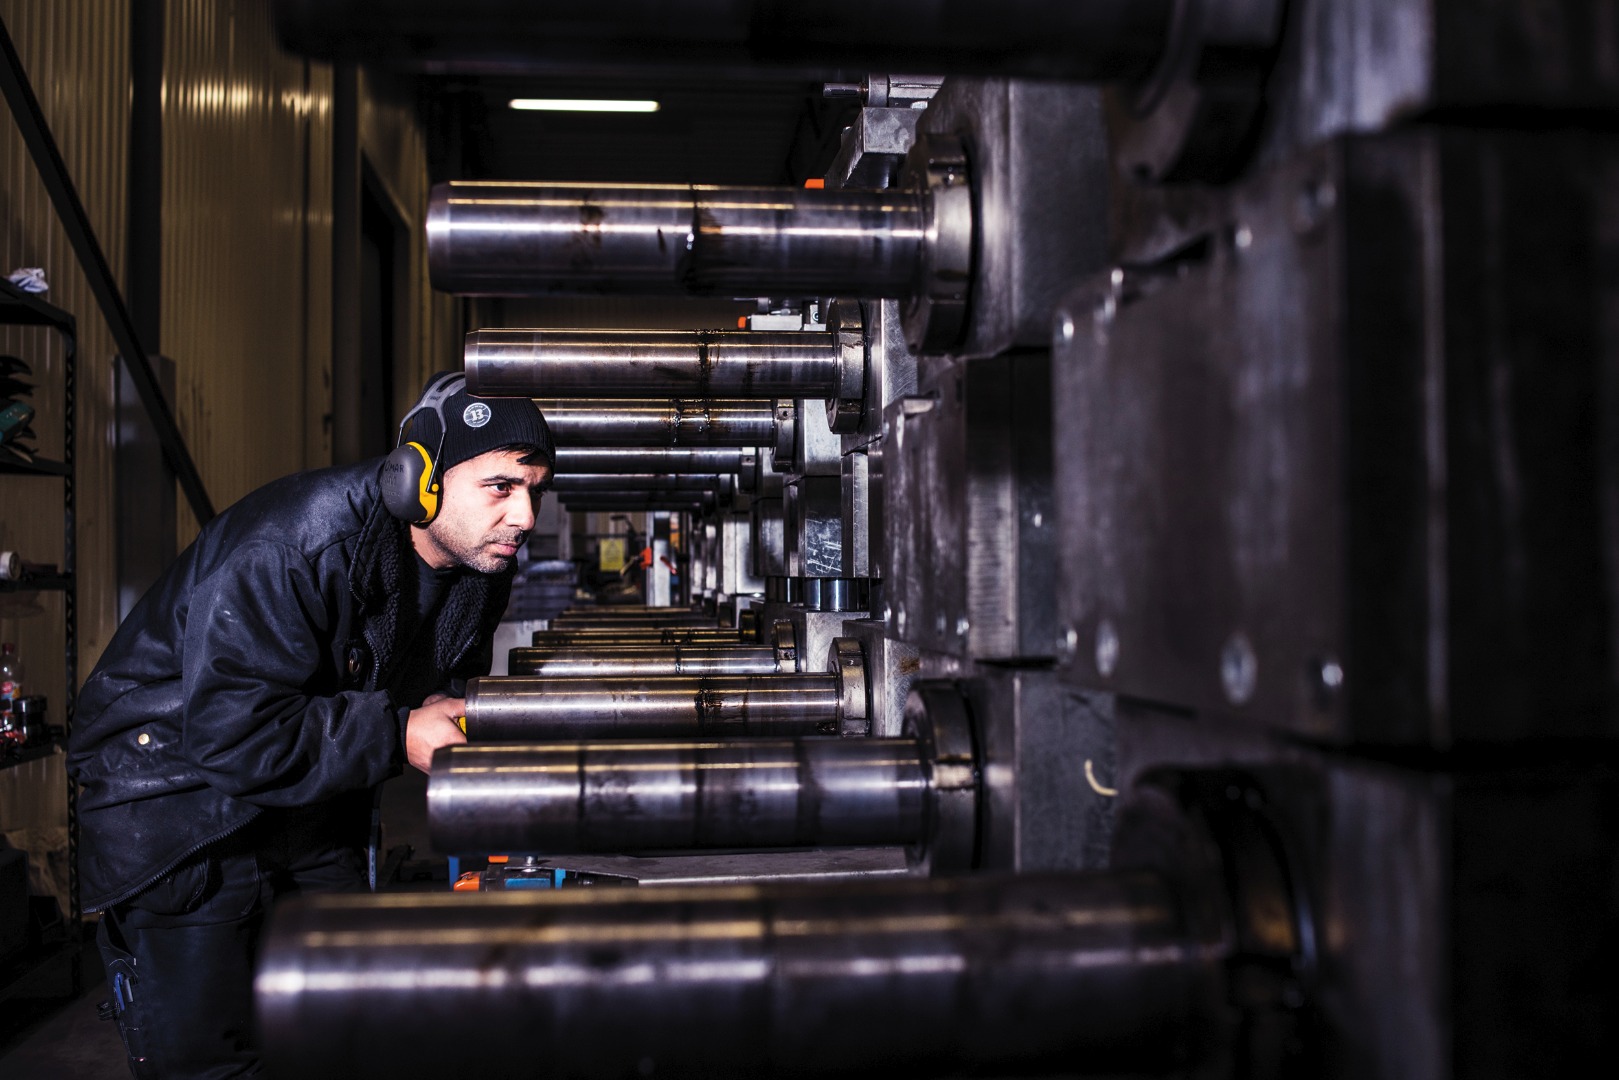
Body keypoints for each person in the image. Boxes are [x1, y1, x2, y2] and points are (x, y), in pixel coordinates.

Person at [68, 372, 552, 1078]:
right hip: (180, 809)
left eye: (535, 490)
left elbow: (435, 684)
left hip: (306, 800)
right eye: (500, 487)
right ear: (419, 479)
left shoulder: (480, 561)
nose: (525, 517)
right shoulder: (293, 544)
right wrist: (396, 732)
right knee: (212, 1061)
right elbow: (233, 734)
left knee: (340, 1029)